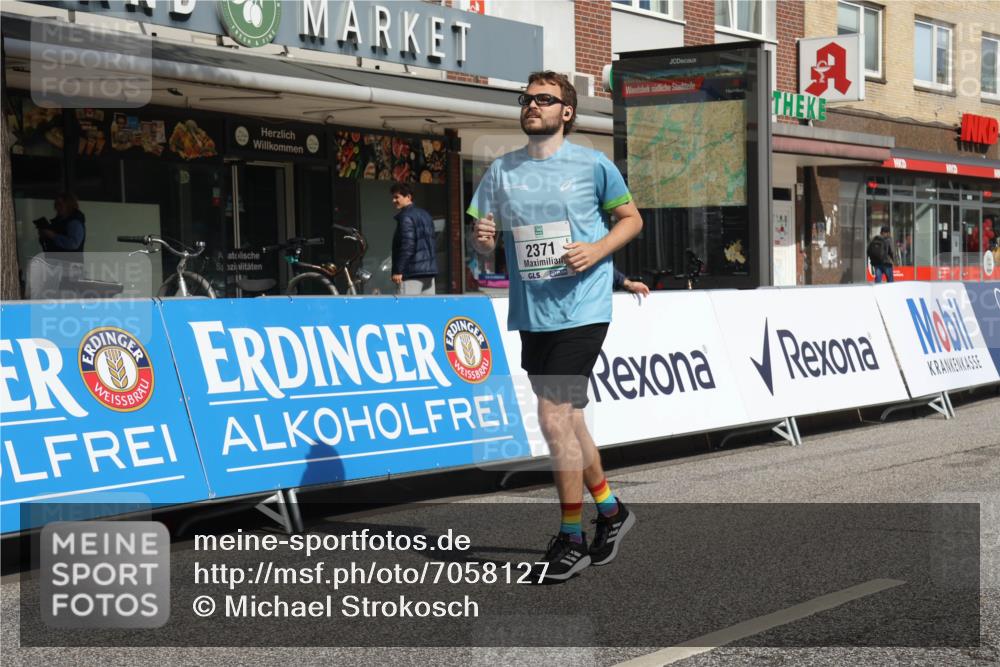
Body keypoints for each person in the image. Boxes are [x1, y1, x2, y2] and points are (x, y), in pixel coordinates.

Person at [469, 71, 643, 581]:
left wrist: (596, 251)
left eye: (543, 100)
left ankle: (572, 537)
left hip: (583, 309)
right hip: (532, 313)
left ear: (566, 111)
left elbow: (631, 219)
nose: (531, 106)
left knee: (552, 416)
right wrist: (482, 239)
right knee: (571, 421)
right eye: (526, 98)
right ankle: (612, 512)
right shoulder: (501, 171)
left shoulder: (592, 164)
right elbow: (483, 243)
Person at [390, 183, 438, 295]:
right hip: (429, 272)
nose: (393, 200)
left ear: (408, 197)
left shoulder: (406, 216)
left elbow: (407, 245)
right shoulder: (426, 215)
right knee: (427, 310)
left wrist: (398, 270)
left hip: (411, 273)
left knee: (407, 310)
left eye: (397, 197)